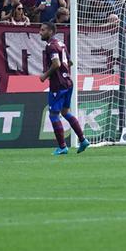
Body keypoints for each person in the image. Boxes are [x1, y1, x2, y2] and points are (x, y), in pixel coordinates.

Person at [38, 22, 90, 155]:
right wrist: (63, 72)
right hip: (68, 83)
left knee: (53, 115)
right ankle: (83, 140)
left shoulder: (51, 46)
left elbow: (56, 63)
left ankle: (62, 147)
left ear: (50, 31)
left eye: (43, 30)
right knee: (65, 112)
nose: (40, 32)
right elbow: (69, 62)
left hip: (58, 85)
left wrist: (45, 75)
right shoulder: (61, 44)